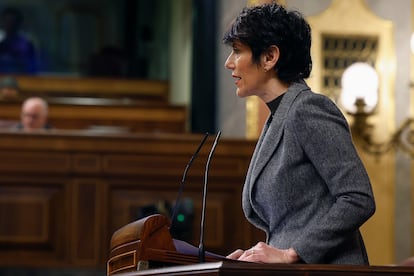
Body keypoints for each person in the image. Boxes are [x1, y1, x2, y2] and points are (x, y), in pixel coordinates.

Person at [223, 3, 375, 265]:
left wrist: (292, 253)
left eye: (237, 51)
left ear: (270, 57)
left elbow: (358, 198)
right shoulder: (278, 117)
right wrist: (255, 256)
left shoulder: (308, 109)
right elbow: (293, 221)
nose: (229, 63)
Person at [0, 7, 37, 73]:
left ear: (18, 23)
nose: (10, 25)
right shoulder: (1, 41)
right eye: (7, 21)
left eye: (13, 22)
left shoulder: (26, 44)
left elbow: (32, 66)